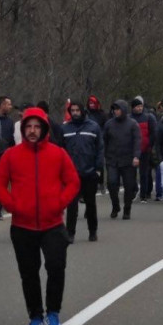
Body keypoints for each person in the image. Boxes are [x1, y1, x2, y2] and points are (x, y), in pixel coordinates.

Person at [0, 106, 80, 325]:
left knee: (56, 268)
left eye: (36, 126)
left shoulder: (58, 153)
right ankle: (34, 316)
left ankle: (53, 313)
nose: (32, 131)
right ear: (22, 129)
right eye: (28, 127)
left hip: (52, 225)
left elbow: (73, 183)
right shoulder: (11, 155)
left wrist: (58, 203)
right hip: (22, 226)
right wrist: (13, 206)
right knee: (29, 273)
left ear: (44, 129)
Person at [61, 100, 104, 242]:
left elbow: (99, 149)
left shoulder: (93, 127)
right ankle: (70, 233)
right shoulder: (65, 129)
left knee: (90, 204)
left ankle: (93, 231)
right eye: (72, 110)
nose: (74, 113)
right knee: (71, 205)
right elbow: (61, 151)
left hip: (89, 172)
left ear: (82, 111)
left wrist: (98, 169)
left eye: (77, 110)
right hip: (72, 174)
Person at [102, 100, 141, 219]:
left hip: (128, 160)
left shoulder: (132, 124)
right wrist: (104, 155)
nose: (116, 111)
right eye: (114, 109)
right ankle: (115, 206)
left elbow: (137, 141)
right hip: (112, 159)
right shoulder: (109, 124)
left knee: (129, 186)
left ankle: (127, 209)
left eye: (118, 109)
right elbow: (104, 141)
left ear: (123, 109)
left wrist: (136, 156)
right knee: (112, 183)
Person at [130, 97, 157, 202]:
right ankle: (133, 190)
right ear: (133, 107)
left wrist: (149, 144)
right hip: (132, 150)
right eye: (137, 106)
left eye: (141, 106)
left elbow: (153, 132)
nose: (140, 108)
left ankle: (144, 194)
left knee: (144, 173)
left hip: (146, 149)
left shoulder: (148, 117)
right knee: (131, 173)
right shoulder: (129, 118)